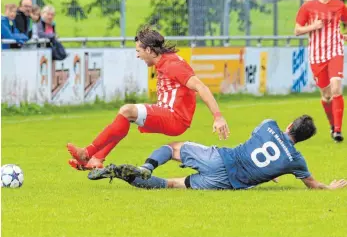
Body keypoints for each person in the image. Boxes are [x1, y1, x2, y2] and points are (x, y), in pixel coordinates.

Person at [67, 26, 230, 170]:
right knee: (124, 117)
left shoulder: (174, 65)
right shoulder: (166, 61)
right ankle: (96, 159)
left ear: (149, 50)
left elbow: (201, 87)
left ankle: (86, 153)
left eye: (138, 51)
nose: (138, 56)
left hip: (175, 118)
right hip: (169, 114)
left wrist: (218, 117)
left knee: (127, 110)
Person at [88, 115, 347, 191]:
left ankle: (146, 166)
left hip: (223, 157)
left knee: (173, 148)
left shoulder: (269, 124)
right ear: (302, 139)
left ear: (289, 126)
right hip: (227, 183)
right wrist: (331, 188)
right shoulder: (295, 160)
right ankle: (130, 176)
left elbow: (258, 141)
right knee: (171, 185)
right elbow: (313, 185)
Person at [294, 0, 347, 143]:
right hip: (317, 56)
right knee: (326, 95)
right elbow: (297, 30)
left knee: (337, 88)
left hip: (335, 52)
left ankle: (338, 131)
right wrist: (313, 26)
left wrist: (344, 36)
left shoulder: (339, 5)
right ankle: (332, 125)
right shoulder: (308, 7)